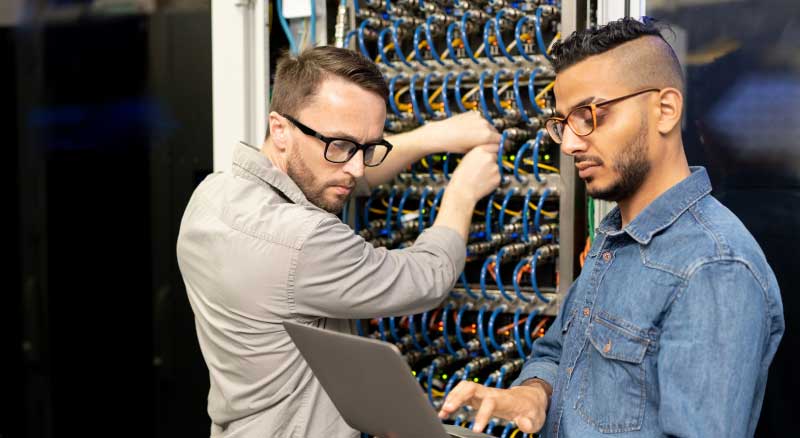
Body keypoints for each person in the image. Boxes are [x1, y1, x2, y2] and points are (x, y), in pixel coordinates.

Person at [438, 17, 784, 437]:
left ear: (666, 110)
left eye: (589, 115)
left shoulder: (713, 268)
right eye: (563, 122)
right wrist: (534, 392)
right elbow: (557, 351)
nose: (568, 143)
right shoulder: (616, 237)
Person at [176, 46, 501, 437]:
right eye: (342, 146)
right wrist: (463, 193)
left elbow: (337, 178)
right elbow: (428, 276)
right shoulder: (302, 240)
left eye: (368, 148)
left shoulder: (212, 196)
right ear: (280, 129)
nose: (357, 167)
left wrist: (432, 137)